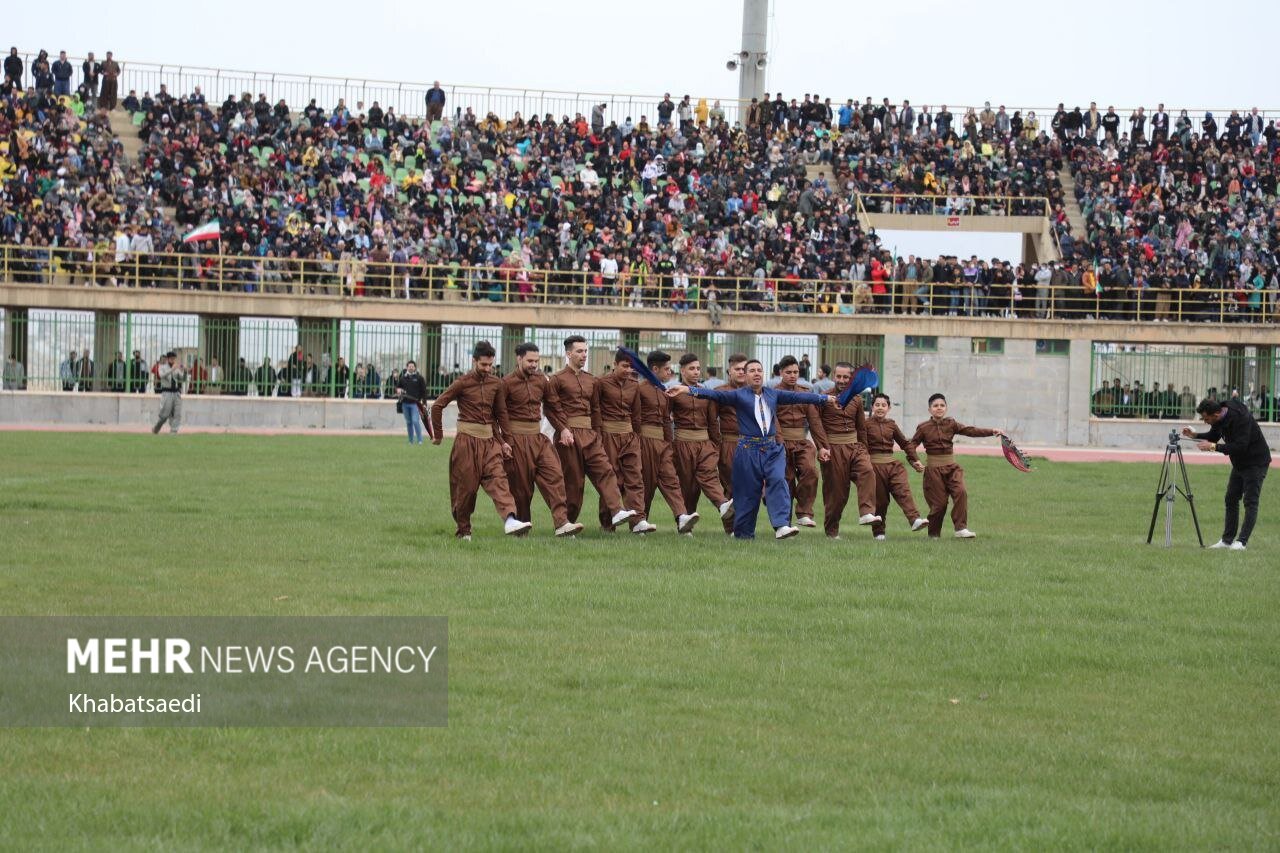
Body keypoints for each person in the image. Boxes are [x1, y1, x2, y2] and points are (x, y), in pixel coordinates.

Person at [669, 359, 838, 540]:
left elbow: (800, 397)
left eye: (759, 370)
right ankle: (743, 533)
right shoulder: (738, 395)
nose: (756, 373)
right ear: (746, 375)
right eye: (752, 371)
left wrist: (826, 398)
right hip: (748, 450)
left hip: (772, 449)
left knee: (778, 480)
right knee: (748, 493)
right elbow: (712, 395)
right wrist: (686, 389)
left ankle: (781, 525)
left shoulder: (773, 394)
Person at [428, 341, 531, 541]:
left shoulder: (496, 384)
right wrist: (438, 436)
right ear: (474, 360)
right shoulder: (462, 383)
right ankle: (464, 530)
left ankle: (510, 520)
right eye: (483, 365)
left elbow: (501, 414)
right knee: (466, 490)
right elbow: (437, 406)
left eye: (490, 365)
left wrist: (505, 442)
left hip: (490, 442)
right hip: (466, 443)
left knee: (499, 480)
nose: (487, 369)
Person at [546, 335, 638, 531]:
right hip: (568, 437)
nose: (584, 355)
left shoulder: (592, 380)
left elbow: (596, 409)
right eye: (579, 351)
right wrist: (562, 429)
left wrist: (598, 434)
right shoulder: (557, 379)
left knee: (606, 470)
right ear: (569, 353)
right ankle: (565, 523)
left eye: (586, 351)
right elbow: (551, 409)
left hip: (590, 435)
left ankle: (616, 510)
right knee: (574, 484)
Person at [499, 343, 583, 538]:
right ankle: (520, 528)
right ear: (519, 359)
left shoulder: (541, 381)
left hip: (539, 438)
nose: (534, 365)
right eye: (530, 361)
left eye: (536, 361)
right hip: (516, 440)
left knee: (555, 476)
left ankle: (562, 522)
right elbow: (498, 414)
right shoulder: (506, 383)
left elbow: (552, 406)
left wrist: (563, 429)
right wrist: (503, 441)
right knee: (522, 489)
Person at [911, 393, 1005, 538]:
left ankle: (961, 528)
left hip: (952, 468)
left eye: (942, 405)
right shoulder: (923, 428)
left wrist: (991, 431)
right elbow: (911, 446)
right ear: (930, 409)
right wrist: (915, 460)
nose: (939, 408)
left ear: (946, 408)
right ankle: (933, 535)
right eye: (935, 406)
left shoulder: (951, 423)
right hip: (933, 471)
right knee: (939, 505)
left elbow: (971, 431)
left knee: (961, 492)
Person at [1184, 397, 1272, 551]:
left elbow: (1240, 446)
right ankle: (1227, 541)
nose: (1205, 421)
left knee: (1250, 501)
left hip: (1256, 462)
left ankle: (1241, 542)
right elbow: (1214, 436)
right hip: (1240, 463)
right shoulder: (1219, 416)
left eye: (1206, 419)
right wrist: (1195, 435)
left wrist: (1213, 447)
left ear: (1216, 415)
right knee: (1230, 498)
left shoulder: (1240, 418)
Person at [813, 362, 882, 539]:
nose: (842, 380)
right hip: (833, 449)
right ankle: (831, 531)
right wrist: (822, 447)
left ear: (851, 378)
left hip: (855, 447)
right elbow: (817, 426)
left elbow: (861, 428)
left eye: (846, 377)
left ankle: (867, 512)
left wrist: (864, 450)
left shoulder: (857, 399)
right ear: (834, 376)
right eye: (839, 376)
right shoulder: (823, 398)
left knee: (867, 471)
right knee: (837, 495)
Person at [636, 350, 700, 534]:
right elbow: (636, 418)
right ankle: (640, 521)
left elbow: (666, 420)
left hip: (663, 444)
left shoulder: (666, 391)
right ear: (654, 369)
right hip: (644, 442)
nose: (670, 373)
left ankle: (681, 517)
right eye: (666, 369)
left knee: (671, 480)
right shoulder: (640, 389)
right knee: (646, 485)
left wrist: (669, 445)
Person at [594, 350, 656, 534]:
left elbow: (636, 414)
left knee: (635, 478)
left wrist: (636, 436)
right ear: (615, 364)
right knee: (613, 479)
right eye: (625, 366)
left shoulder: (634, 385)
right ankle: (607, 523)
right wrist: (598, 436)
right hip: (608, 436)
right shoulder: (602, 383)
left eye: (631, 367)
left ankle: (638, 520)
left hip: (629, 436)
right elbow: (596, 410)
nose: (628, 370)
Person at [669, 353, 734, 525]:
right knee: (688, 486)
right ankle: (685, 523)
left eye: (698, 368)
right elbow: (665, 418)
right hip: (682, 444)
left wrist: (716, 445)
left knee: (709, 475)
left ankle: (722, 504)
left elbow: (713, 422)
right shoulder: (674, 392)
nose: (696, 372)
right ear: (682, 371)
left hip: (705, 444)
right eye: (691, 369)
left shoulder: (707, 394)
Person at [865, 394, 929, 540]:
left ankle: (915, 520)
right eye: (877, 405)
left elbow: (905, 443)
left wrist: (915, 460)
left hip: (892, 466)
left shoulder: (891, 425)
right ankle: (879, 533)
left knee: (903, 491)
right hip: (874, 467)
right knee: (880, 501)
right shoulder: (865, 424)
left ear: (889, 408)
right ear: (872, 407)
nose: (880, 408)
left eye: (883, 405)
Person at [774, 355, 820, 527]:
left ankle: (804, 512)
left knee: (811, 471)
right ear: (781, 373)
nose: (793, 375)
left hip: (802, 442)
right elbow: (772, 420)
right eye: (788, 372)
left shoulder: (805, 393)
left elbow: (815, 422)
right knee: (786, 481)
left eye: (795, 372)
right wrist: (778, 442)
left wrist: (823, 447)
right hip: (781, 443)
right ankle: (785, 524)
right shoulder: (773, 393)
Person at [394, 360, 429, 445]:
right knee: (409, 422)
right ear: (407, 367)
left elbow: (424, 391)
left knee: (415, 421)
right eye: (409, 366)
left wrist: (424, 403)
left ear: (415, 367)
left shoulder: (419, 378)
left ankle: (420, 440)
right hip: (405, 404)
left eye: (412, 366)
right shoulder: (402, 378)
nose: (411, 367)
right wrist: (398, 390)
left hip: (415, 404)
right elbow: (398, 388)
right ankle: (411, 441)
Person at [152, 351, 186, 434]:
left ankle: (174, 431)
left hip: (176, 392)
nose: (173, 360)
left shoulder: (176, 368)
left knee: (177, 413)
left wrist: (184, 371)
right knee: (165, 415)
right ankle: (156, 428)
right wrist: (171, 370)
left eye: (174, 359)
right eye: (171, 359)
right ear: (167, 359)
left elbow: (182, 379)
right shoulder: (162, 367)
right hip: (167, 393)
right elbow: (161, 376)